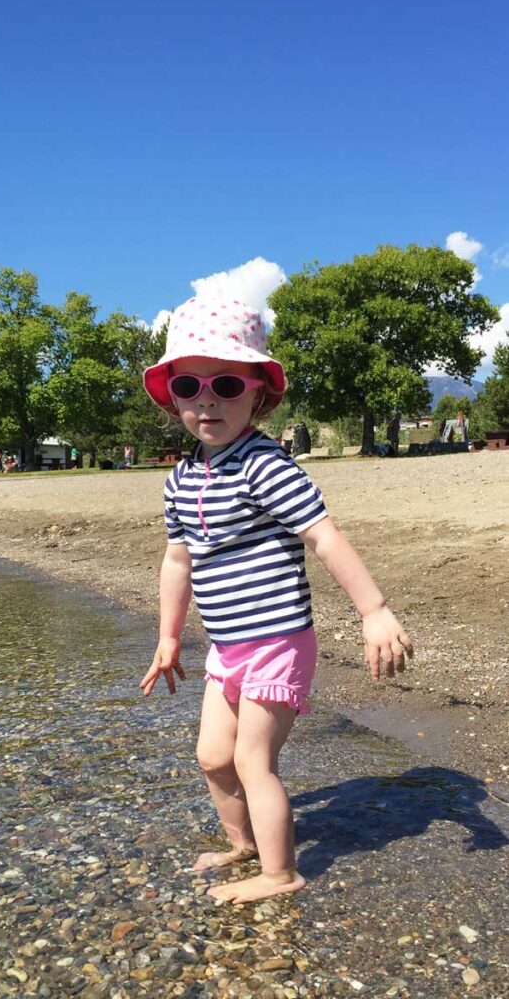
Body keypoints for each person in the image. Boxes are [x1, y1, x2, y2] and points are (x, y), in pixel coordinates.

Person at [140, 296, 413, 905]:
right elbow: (177, 560)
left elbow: (322, 534)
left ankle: (281, 872)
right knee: (213, 757)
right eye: (190, 384)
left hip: (277, 641)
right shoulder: (182, 480)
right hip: (227, 646)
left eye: (227, 384)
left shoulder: (266, 466)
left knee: (251, 761)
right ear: (173, 396)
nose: (207, 399)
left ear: (258, 394)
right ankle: (244, 846)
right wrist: (167, 638)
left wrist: (373, 610)